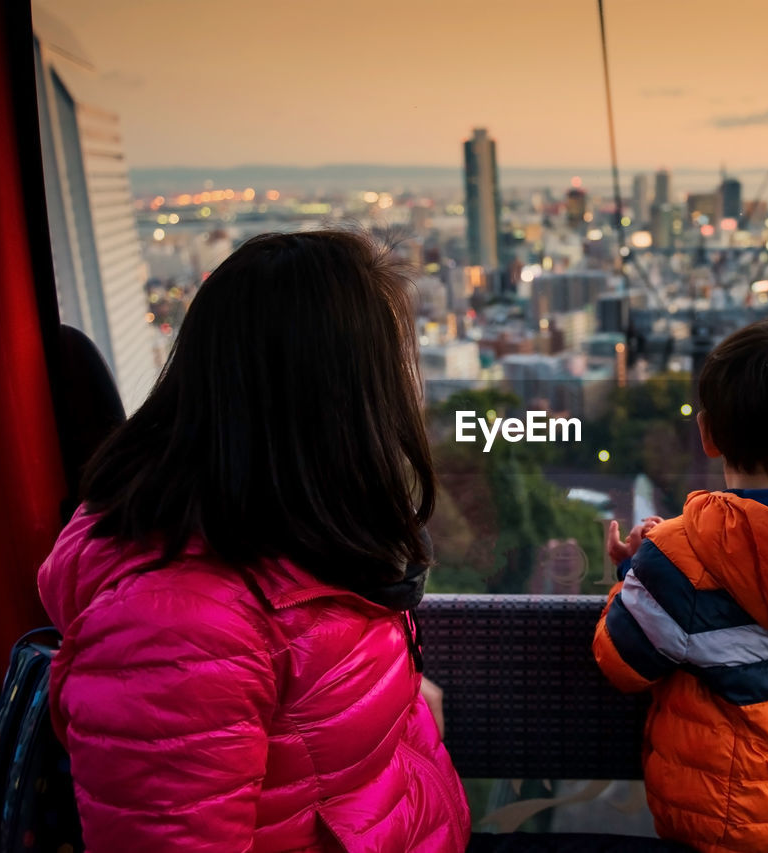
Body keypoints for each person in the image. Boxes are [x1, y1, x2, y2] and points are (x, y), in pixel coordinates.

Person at [38, 230, 471, 851]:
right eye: (393, 368)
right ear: (335, 402)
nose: (408, 389)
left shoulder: (289, 533)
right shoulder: (176, 629)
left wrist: (403, 704)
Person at [593, 319, 768, 853]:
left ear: (708, 434)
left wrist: (634, 573)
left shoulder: (682, 558)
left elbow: (621, 662)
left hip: (720, 833)